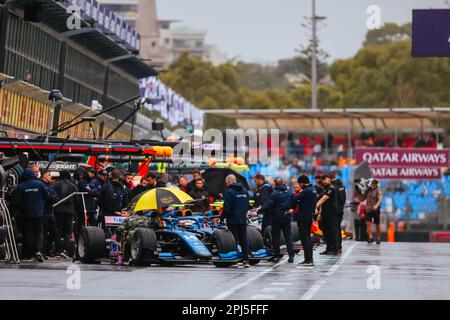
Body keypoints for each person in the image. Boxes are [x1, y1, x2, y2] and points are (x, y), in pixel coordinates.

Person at [14, 168, 50, 262]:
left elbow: (17, 201)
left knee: (28, 233)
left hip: (26, 214)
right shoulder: (40, 184)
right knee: (39, 232)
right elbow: (46, 196)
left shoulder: (21, 186)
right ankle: (38, 250)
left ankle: (28, 254)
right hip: (39, 213)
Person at [261, 177, 296, 263]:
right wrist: (291, 209)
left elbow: (268, 204)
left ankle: (277, 255)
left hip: (276, 218)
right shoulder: (289, 192)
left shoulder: (274, 194)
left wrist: (259, 210)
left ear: (275, 184)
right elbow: (295, 203)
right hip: (286, 217)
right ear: (283, 182)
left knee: (275, 237)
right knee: (288, 236)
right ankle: (291, 255)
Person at [222, 174, 250, 268]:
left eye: (226, 182)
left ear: (229, 181)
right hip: (242, 219)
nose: (226, 184)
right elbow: (247, 205)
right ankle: (246, 260)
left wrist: (222, 217)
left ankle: (235, 260)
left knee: (234, 240)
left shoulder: (229, 192)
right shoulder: (245, 191)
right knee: (243, 239)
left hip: (233, 220)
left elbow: (227, 207)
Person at [293, 175, 317, 267]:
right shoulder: (313, 189)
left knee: (305, 239)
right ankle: (309, 259)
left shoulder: (306, 190)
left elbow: (295, 199)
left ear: (302, 183)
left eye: (299, 183)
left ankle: (308, 260)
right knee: (307, 238)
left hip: (303, 217)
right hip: (309, 216)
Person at [54, 171, 78, 258]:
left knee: (58, 230)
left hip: (58, 210)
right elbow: (77, 200)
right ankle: (66, 250)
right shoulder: (73, 186)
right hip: (69, 211)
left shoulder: (56, 185)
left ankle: (58, 250)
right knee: (68, 231)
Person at [315, 173, 340, 255]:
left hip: (332, 214)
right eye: (323, 180)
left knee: (332, 231)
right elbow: (323, 203)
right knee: (326, 232)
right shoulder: (324, 188)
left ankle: (335, 248)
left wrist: (315, 206)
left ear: (329, 179)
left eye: (326, 179)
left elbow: (323, 199)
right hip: (325, 214)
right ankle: (328, 248)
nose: (324, 181)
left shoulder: (331, 188)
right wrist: (320, 213)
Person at [41, 170, 60, 258]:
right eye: (48, 175)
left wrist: (50, 196)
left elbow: (56, 197)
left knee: (53, 233)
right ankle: (42, 251)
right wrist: (50, 196)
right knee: (44, 233)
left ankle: (48, 250)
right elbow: (46, 196)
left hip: (50, 212)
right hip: (43, 212)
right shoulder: (41, 184)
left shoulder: (51, 185)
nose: (50, 176)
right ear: (43, 175)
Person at [331, 172, 346, 253]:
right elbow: (343, 199)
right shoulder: (342, 186)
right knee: (338, 228)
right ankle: (339, 246)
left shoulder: (334, 187)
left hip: (335, 211)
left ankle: (336, 247)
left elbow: (336, 200)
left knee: (335, 229)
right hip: (340, 210)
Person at [364, 179, 383, 244]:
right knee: (368, 223)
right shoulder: (368, 190)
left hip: (375, 209)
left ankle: (378, 238)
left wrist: (377, 205)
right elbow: (363, 196)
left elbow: (380, 199)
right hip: (368, 209)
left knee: (377, 224)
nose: (373, 185)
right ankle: (370, 237)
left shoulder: (378, 190)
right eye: (372, 184)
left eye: (375, 184)